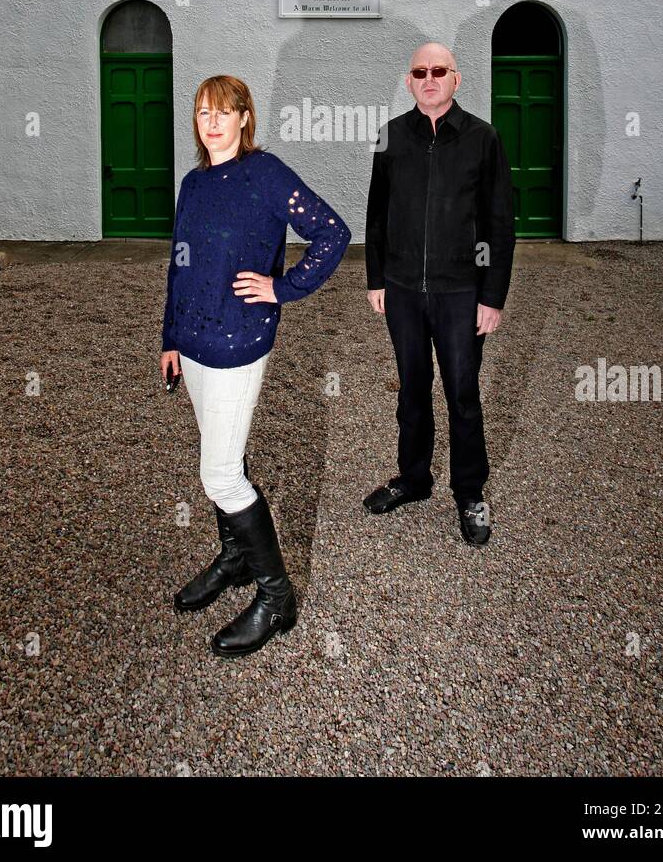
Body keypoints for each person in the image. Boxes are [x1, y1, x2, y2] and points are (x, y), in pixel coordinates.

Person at [161, 75, 351, 656]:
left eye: (224, 112)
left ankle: (277, 598)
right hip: (192, 343)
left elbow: (332, 233)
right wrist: (170, 337)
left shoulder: (265, 174)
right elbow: (179, 263)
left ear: (245, 118)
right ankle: (235, 558)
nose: (212, 122)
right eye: (203, 112)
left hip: (238, 341)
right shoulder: (193, 184)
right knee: (226, 452)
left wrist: (281, 287)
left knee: (220, 474)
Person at [363, 42, 515, 545]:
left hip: (461, 294)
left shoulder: (483, 138)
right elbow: (377, 215)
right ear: (409, 82)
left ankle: (470, 492)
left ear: (456, 79)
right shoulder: (391, 137)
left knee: (462, 394)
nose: (429, 79)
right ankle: (413, 479)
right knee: (411, 389)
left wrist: (491, 296)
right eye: (420, 72)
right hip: (403, 291)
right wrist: (377, 278)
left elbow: (498, 223)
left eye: (439, 71)